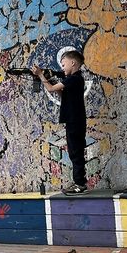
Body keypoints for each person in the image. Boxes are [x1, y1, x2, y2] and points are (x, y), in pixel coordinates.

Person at [32, 50, 88, 194]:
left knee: (76, 152)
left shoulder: (74, 79)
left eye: (64, 64)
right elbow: (62, 94)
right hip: (73, 120)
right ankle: (79, 182)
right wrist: (50, 79)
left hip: (75, 120)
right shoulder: (74, 80)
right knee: (74, 152)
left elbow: (50, 89)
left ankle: (80, 184)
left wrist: (40, 75)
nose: (62, 68)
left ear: (73, 63)